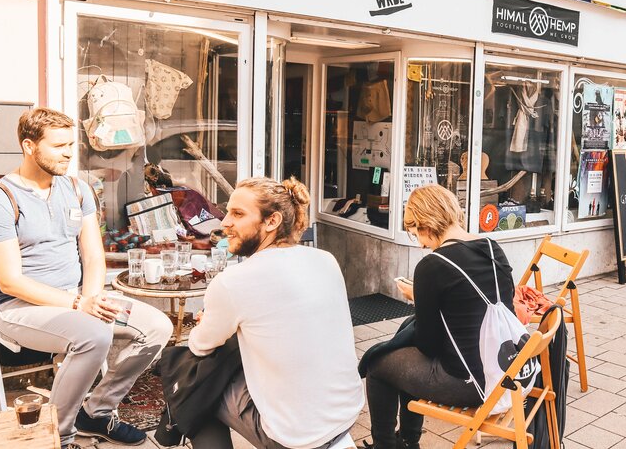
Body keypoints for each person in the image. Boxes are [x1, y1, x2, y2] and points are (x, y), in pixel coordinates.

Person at [0, 108, 173, 448]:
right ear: (29, 146)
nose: (68, 153)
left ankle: (96, 412)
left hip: (77, 297)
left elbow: (93, 255)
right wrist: (79, 304)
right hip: (18, 308)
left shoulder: (77, 189)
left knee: (157, 326)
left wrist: (91, 299)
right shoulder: (0, 199)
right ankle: (60, 435)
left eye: (71, 145)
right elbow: (9, 281)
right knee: (94, 334)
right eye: (58, 146)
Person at [186, 176, 364, 449]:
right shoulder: (325, 259)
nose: (224, 222)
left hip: (294, 436)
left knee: (197, 384)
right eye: (227, 211)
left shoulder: (233, 281)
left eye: (238, 214)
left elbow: (200, 346)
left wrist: (209, 324)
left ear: (272, 221)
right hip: (346, 413)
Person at [364, 185, 516, 449]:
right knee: (405, 341)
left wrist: (420, 298)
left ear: (425, 223)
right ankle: (408, 440)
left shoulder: (433, 265)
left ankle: (387, 445)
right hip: (503, 370)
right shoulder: (492, 248)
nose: (421, 244)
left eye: (416, 234)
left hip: (470, 382)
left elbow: (428, 345)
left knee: (377, 365)